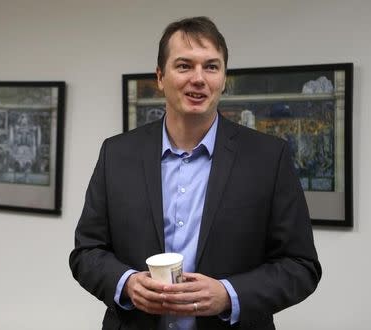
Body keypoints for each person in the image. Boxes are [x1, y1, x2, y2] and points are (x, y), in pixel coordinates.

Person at [69, 16, 321, 330]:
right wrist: (127, 283)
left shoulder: (269, 158)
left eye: (211, 67)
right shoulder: (117, 154)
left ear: (224, 78)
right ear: (160, 77)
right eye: (184, 66)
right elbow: (87, 252)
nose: (199, 78)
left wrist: (229, 295)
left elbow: (301, 266)